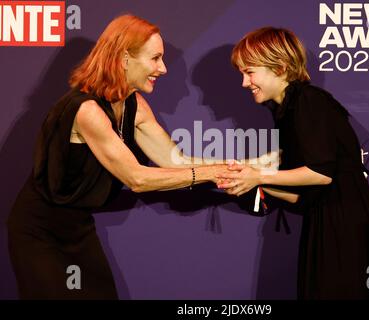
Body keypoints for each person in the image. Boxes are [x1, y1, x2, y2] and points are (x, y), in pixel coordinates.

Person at [6, 14, 230, 300]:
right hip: (39, 231)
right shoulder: (87, 111)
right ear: (125, 58)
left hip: (78, 227)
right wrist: (210, 174)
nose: (162, 68)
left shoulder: (133, 102)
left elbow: (174, 160)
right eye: (155, 58)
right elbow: (137, 178)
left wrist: (234, 167)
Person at [217, 27, 369, 299]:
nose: (244, 83)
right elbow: (306, 195)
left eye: (249, 72)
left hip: (345, 234)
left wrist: (257, 177)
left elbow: (320, 174)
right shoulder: (288, 110)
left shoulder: (309, 102)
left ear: (281, 68)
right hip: (326, 225)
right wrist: (248, 180)